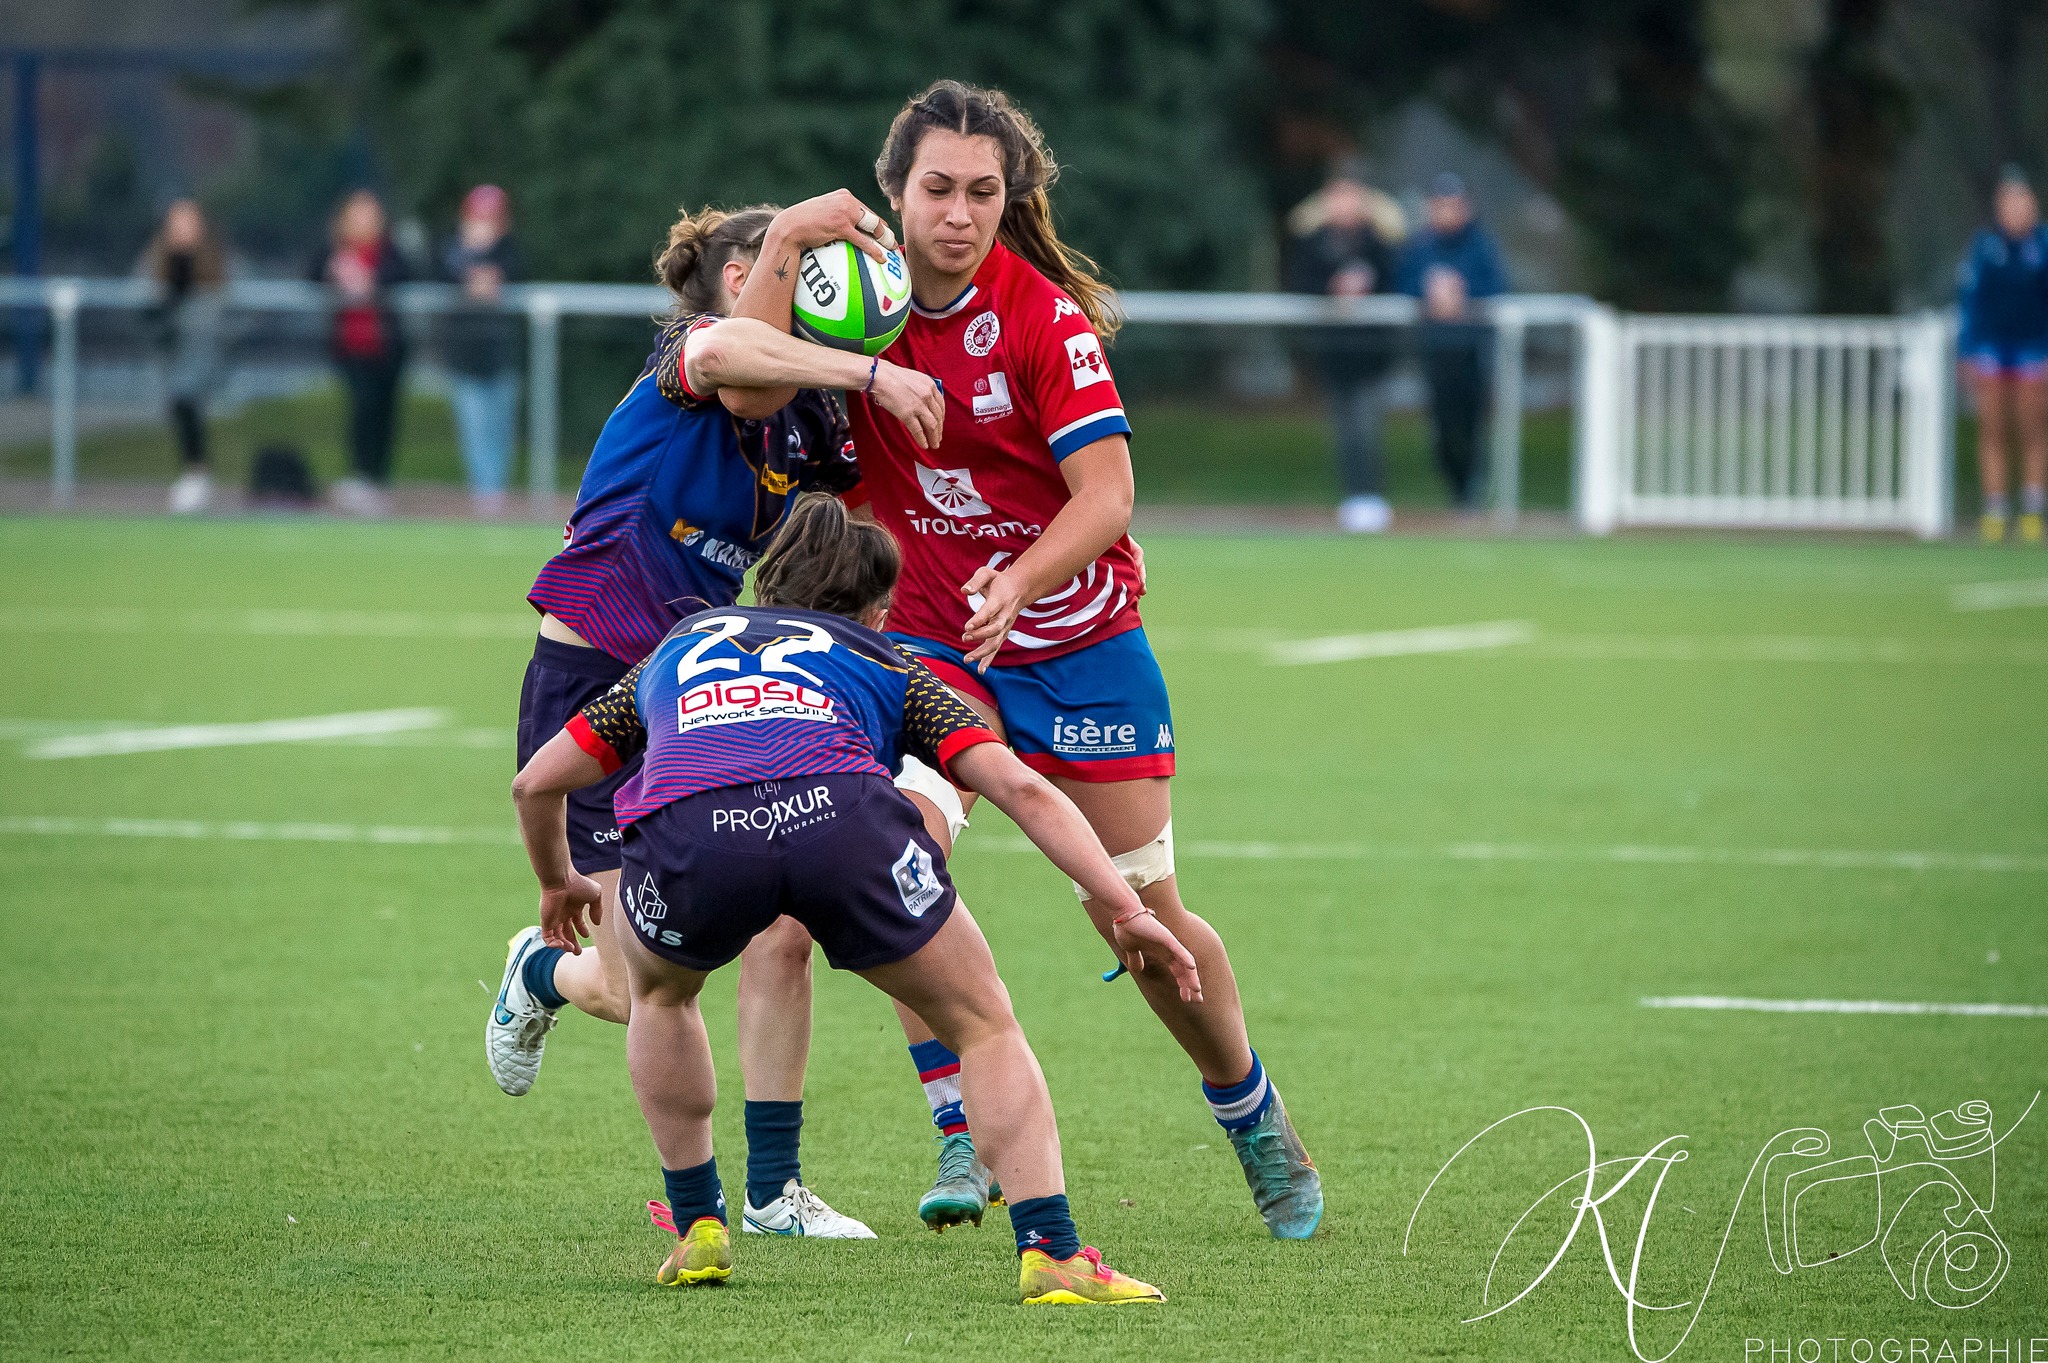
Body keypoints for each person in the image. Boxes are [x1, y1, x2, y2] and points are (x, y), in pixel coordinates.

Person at [799, 78, 1320, 1239]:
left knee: (1139, 918)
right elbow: (734, 343)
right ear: (892, 192)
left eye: (982, 192)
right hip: (934, 639)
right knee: (896, 856)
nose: (958, 213)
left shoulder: (1039, 320)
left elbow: (1108, 497)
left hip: (1080, 643)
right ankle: (958, 1120)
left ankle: (1247, 1110)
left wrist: (1018, 581)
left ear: (1009, 199)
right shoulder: (847, 312)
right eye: (936, 188)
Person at [510, 494, 1197, 1302]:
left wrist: (557, 880)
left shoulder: (680, 644)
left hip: (692, 836)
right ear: (877, 609)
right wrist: (1127, 908)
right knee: (982, 1021)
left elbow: (536, 782)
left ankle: (699, 1228)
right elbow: (1019, 787)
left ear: (768, 584)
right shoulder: (883, 658)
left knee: (662, 997)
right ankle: (1053, 1252)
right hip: (838, 821)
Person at [486, 193, 945, 1238]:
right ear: (740, 278)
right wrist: (853, 340)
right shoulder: (689, 354)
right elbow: (738, 358)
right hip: (592, 673)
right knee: (631, 983)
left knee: (783, 924)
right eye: (779, 264)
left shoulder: (802, 412)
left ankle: (774, 1189)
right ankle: (540, 971)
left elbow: (846, 534)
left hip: (697, 696)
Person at [1287, 161, 1404, 534]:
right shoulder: (1314, 242)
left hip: (1371, 355)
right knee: (1346, 430)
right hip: (1335, 354)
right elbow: (1300, 284)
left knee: (1367, 427)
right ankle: (1355, 497)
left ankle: (1372, 496)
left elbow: (1395, 282)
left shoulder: (1380, 241)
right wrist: (1332, 289)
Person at [1398, 173, 1505, 510]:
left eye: (1453, 205)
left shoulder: (1481, 245)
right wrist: (1429, 293)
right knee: (1442, 424)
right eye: (1441, 205)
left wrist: (1462, 293)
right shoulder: (1420, 247)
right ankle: (1455, 481)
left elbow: (1497, 287)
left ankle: (1471, 489)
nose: (1447, 212)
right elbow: (1404, 284)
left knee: (1471, 421)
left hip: (1472, 348)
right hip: (1437, 347)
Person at [1957, 165, 2048, 545]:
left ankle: (2032, 508)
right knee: (1993, 429)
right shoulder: (1985, 248)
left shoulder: (2042, 248)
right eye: (2009, 203)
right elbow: (1971, 301)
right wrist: (1967, 351)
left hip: (2034, 349)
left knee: (2033, 428)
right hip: (1992, 350)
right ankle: (1995, 508)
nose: (2016, 210)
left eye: (2022, 202)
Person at [311, 190, 411, 516]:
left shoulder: (389, 251)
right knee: (362, 407)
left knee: (384, 413)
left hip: (386, 347)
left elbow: (403, 274)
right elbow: (312, 272)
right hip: (351, 347)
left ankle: (378, 479)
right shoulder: (335, 250)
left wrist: (371, 281)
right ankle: (361, 476)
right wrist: (334, 271)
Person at [139, 199, 231, 514]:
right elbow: (144, 304)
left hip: (204, 349)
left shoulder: (215, 260)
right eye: (177, 222)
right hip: (171, 350)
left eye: (190, 222)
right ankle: (194, 475)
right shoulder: (155, 260)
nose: (183, 230)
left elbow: (229, 306)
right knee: (179, 408)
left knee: (188, 403)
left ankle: (197, 474)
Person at [440, 185, 523, 517]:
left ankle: (496, 491)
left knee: (500, 427)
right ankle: (484, 493)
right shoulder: (451, 250)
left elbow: (513, 273)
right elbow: (445, 274)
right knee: (474, 427)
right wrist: (471, 257)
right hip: (465, 357)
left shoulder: (511, 251)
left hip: (502, 356)